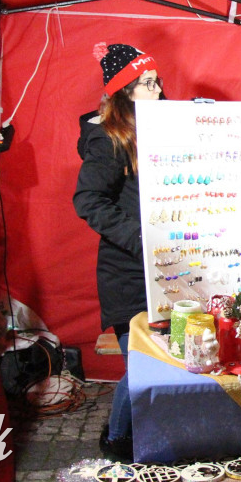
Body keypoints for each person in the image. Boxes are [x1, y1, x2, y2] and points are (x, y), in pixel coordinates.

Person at [74, 42, 162, 460]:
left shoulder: (160, 126)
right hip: (128, 271)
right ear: (125, 91)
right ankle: (117, 441)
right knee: (142, 364)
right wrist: (140, 237)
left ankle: (152, 432)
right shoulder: (107, 138)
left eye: (157, 81)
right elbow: (88, 201)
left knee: (164, 358)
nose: (158, 90)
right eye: (147, 83)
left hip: (167, 267)